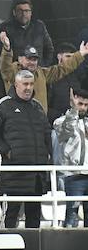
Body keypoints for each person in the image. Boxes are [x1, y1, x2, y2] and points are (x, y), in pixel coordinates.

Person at [0, 70, 53, 228]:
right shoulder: (4, 105)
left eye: (31, 84)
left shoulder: (37, 107)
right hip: (14, 175)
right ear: (16, 85)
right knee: (10, 218)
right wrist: (8, 152)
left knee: (34, 220)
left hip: (36, 176)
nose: (28, 88)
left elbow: (47, 134)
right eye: (25, 84)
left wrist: (48, 157)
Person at [54, 87, 88, 228]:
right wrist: (73, 111)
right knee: (71, 217)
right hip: (74, 175)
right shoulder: (60, 121)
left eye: (86, 105)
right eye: (80, 104)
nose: (83, 108)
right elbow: (66, 132)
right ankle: (69, 248)